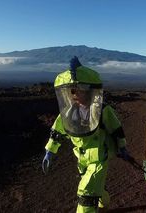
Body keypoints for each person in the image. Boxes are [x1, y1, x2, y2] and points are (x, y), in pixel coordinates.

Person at [42, 56, 129, 213]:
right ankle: (103, 201)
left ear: (89, 92)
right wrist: (49, 151)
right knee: (94, 187)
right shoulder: (68, 112)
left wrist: (122, 147)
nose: (75, 94)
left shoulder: (102, 110)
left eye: (79, 90)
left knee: (86, 193)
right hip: (81, 158)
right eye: (72, 91)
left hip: (98, 158)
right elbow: (57, 131)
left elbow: (116, 129)